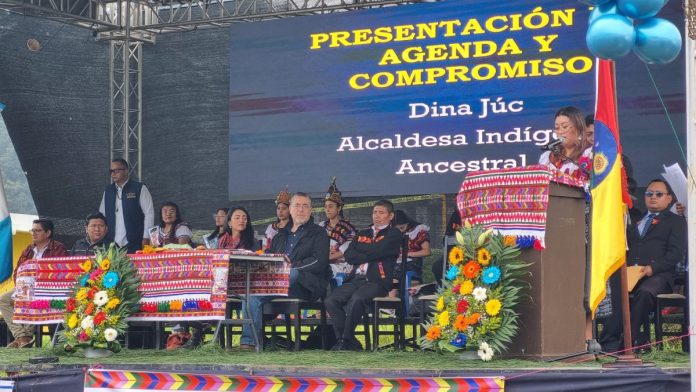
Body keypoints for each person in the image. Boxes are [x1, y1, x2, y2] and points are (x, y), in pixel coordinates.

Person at [599, 179, 686, 351]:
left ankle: (628, 341)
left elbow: (675, 254)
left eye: (659, 194)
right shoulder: (636, 219)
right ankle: (609, 340)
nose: (653, 197)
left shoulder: (676, 222)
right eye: (649, 194)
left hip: (658, 275)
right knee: (612, 290)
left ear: (669, 199)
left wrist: (652, 268)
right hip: (630, 273)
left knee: (645, 293)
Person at [239, 192, 330, 350]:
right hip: (278, 284)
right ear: (291, 210)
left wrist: (288, 269)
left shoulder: (318, 233)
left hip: (305, 284)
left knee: (291, 273)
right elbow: (269, 258)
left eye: (305, 206)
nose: (301, 210)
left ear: (311, 210)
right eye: (297, 206)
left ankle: (256, 338)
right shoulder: (279, 236)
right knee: (251, 293)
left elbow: (319, 262)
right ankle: (249, 342)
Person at [324, 199, 402, 351]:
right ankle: (351, 342)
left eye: (381, 212)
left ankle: (344, 341)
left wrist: (366, 250)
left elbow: (380, 251)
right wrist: (372, 251)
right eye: (374, 212)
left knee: (357, 299)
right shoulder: (362, 233)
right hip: (356, 278)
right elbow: (350, 256)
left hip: (377, 280)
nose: (377, 216)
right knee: (331, 300)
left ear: (390, 216)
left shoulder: (394, 233)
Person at [0, 219, 67, 348]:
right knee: (3, 299)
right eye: (33, 230)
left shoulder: (58, 248)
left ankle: (25, 338)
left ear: (48, 233)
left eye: (37, 230)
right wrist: (20, 287)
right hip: (24, 288)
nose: (33, 233)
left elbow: (61, 272)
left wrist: (38, 286)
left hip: (46, 290)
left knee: (32, 297)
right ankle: (21, 336)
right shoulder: (28, 250)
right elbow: (17, 271)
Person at [99, 159, 154, 254]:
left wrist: (146, 237)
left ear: (126, 170)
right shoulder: (108, 190)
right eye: (111, 171)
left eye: (116, 171)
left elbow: (149, 214)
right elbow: (102, 215)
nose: (113, 174)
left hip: (135, 242)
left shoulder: (139, 188)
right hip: (112, 243)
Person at [318, 178, 356, 288]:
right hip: (323, 263)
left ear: (339, 208)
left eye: (331, 206)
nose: (327, 210)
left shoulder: (348, 227)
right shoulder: (321, 226)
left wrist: (324, 259)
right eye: (325, 207)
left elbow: (345, 251)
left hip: (340, 266)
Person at [539, 106, 592, 179]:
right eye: (557, 128)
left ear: (578, 128)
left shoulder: (589, 154)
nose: (560, 132)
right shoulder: (547, 157)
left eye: (564, 126)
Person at [389, 210, 430, 298]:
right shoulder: (391, 232)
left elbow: (426, 251)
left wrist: (407, 254)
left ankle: (391, 300)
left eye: (402, 227)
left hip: (413, 262)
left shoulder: (419, 230)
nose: (400, 231)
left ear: (407, 223)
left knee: (395, 270)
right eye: (397, 229)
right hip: (397, 261)